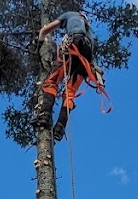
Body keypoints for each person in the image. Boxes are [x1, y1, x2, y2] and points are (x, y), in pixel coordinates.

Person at [36, 10, 100, 141]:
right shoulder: (90, 33)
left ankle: (44, 115)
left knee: (51, 82)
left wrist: (39, 42)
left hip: (73, 45)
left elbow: (45, 30)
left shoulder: (70, 15)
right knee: (69, 93)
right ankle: (60, 127)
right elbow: (93, 61)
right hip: (86, 62)